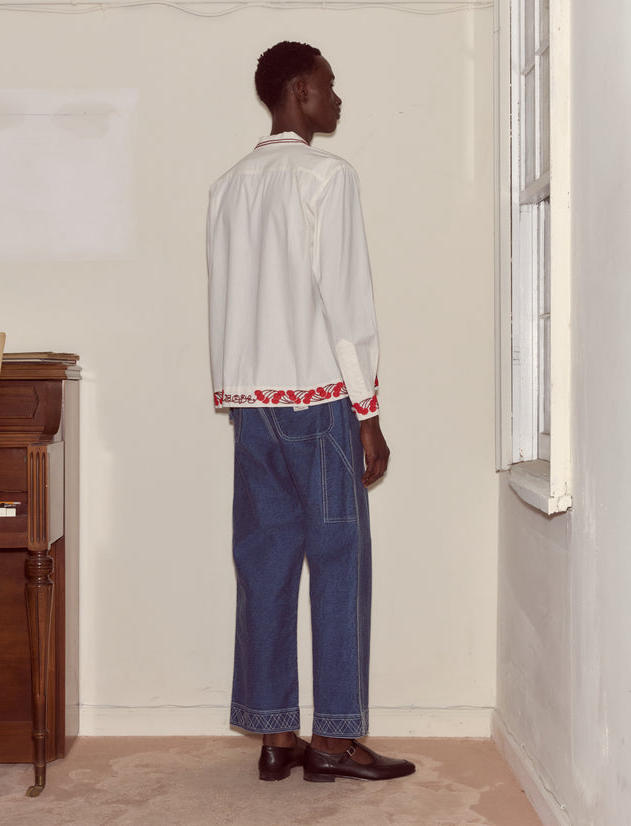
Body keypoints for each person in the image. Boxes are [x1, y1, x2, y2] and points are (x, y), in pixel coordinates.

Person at [207, 40, 415, 783]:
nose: (337, 98)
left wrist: (235, 391)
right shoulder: (328, 177)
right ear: (299, 90)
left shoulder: (228, 186)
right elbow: (346, 304)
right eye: (329, 86)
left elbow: (227, 304)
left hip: (252, 407)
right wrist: (368, 412)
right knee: (338, 562)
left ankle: (275, 737)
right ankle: (334, 740)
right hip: (319, 402)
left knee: (263, 563)